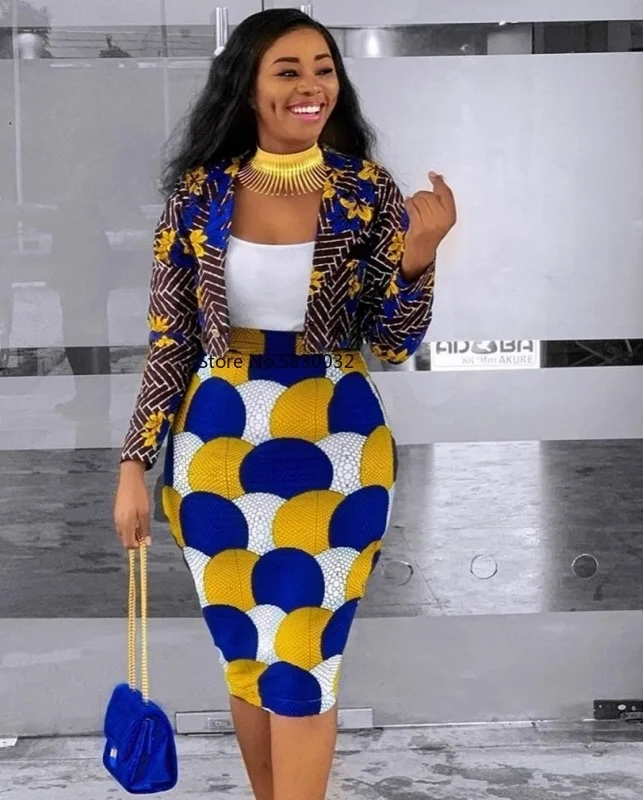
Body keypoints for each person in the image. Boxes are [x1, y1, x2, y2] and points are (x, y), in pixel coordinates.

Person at [114, 9, 456, 800]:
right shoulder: (199, 196)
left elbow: (392, 341)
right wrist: (134, 463)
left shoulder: (365, 191)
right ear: (247, 87)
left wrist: (418, 259)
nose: (312, 86)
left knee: (304, 662)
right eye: (289, 70)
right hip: (216, 451)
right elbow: (170, 340)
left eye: (324, 68)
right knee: (246, 656)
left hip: (335, 446)